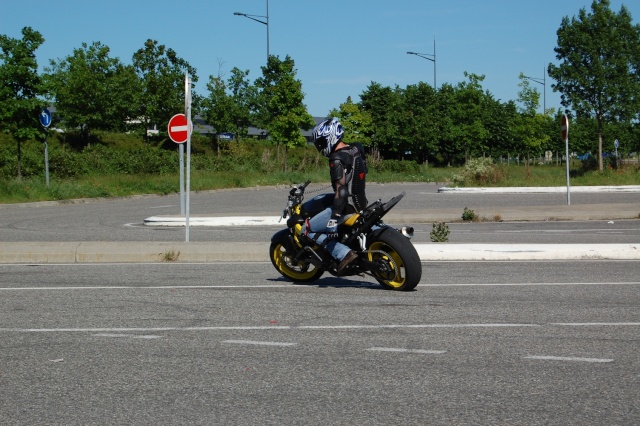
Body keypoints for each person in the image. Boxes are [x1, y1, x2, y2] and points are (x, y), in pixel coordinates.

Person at [305, 117, 368, 274]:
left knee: (306, 231)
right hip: (361, 203)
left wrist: (334, 217)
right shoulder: (356, 149)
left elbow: (341, 190)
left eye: (320, 143)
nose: (319, 147)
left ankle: (343, 253)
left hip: (345, 208)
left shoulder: (336, 158)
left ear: (329, 138)